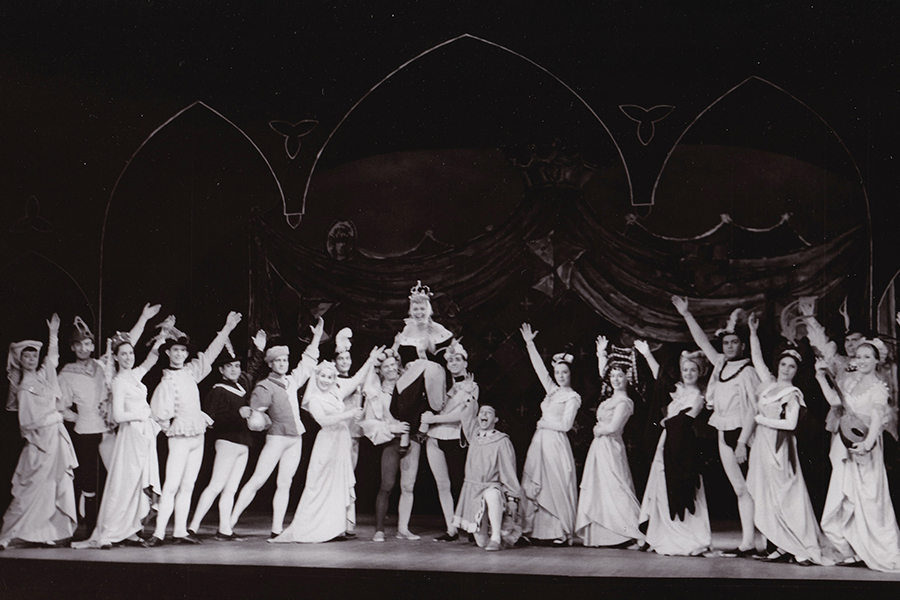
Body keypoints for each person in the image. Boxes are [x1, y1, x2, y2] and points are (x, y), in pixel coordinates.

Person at [59, 303, 160, 538]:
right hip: (85, 430)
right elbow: (61, 406)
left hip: (107, 429)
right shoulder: (66, 373)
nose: (84, 348)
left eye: (87, 344)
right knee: (88, 483)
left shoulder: (101, 365)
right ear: (73, 347)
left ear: (92, 346)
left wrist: (143, 318)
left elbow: (125, 344)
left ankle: (127, 527)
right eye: (79, 345)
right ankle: (90, 527)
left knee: (121, 477)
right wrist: (78, 416)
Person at [146, 311, 242, 546]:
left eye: (183, 351)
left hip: (197, 435)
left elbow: (211, 353)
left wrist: (228, 327)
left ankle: (180, 531)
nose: (179, 354)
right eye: (175, 350)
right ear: (168, 353)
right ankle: (158, 533)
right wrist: (169, 426)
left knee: (188, 485)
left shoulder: (191, 372)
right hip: (179, 436)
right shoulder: (166, 381)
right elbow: (159, 414)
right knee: (171, 485)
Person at [673, 297, 760, 557]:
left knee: (756, 487)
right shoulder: (720, 364)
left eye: (734, 342)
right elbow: (701, 342)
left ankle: (767, 540)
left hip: (746, 435)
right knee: (740, 488)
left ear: (742, 345)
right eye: (726, 342)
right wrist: (687, 314)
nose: (729, 346)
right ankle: (747, 542)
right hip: (724, 433)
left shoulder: (748, 371)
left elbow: (754, 409)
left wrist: (743, 441)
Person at [745, 313, 834, 565]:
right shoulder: (769, 383)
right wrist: (753, 333)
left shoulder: (793, 393)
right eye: (784, 364)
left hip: (780, 448)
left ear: (796, 370)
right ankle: (779, 545)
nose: (786, 369)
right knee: (767, 496)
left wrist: (761, 420)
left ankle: (799, 546)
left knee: (786, 496)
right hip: (762, 446)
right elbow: (757, 359)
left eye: (791, 366)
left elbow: (791, 424)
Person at [271, 346, 381, 543]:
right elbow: (323, 421)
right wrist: (348, 414)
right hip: (327, 443)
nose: (326, 380)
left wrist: (371, 359)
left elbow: (357, 378)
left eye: (330, 377)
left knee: (336, 487)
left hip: (340, 442)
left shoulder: (336, 394)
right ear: (317, 376)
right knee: (319, 486)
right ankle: (312, 527)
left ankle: (334, 528)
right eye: (322, 376)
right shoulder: (314, 399)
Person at [230, 318, 324, 538]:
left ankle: (277, 529)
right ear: (270, 364)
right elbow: (254, 420)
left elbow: (308, 362)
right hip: (276, 439)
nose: (283, 363)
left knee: (285, 482)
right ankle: (229, 522)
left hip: (295, 438)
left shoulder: (291, 381)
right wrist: (258, 418)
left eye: (285, 360)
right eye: (278, 361)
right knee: (258, 479)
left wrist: (317, 337)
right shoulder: (264, 386)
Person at [816, 337, 900, 572]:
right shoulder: (851, 384)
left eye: (867, 357)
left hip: (866, 449)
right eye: (858, 356)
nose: (861, 361)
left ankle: (875, 548)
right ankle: (851, 550)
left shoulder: (878, 389)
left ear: (876, 361)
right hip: (846, 446)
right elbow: (835, 401)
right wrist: (821, 377)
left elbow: (876, 420)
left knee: (869, 501)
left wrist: (868, 444)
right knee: (841, 499)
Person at [0, 314, 79, 549]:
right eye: (27, 355)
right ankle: (8, 533)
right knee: (30, 491)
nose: (32, 358)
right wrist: (57, 415)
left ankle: (44, 532)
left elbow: (52, 359)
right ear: (20, 360)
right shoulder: (24, 388)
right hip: (40, 445)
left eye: (34, 354)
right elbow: (28, 423)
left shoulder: (45, 375)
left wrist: (53, 334)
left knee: (53, 488)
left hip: (56, 441)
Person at [187, 330, 266, 540]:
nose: (234, 369)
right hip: (227, 442)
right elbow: (212, 420)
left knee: (230, 489)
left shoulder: (242, 386)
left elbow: (254, 371)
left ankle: (224, 529)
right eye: (229, 366)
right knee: (216, 485)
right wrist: (236, 415)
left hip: (243, 443)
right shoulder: (218, 391)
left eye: (237, 366)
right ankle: (192, 527)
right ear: (221, 369)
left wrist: (259, 350)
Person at [637, 344, 712, 556]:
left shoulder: (698, 397)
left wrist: (666, 422)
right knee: (660, 487)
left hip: (683, 447)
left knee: (684, 488)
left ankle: (690, 537)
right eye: (686, 369)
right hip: (666, 443)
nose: (688, 373)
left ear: (699, 372)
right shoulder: (679, 390)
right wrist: (647, 354)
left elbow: (686, 421)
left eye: (693, 370)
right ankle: (660, 534)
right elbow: (660, 378)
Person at [574, 335, 643, 547]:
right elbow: (603, 374)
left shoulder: (625, 401)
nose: (615, 379)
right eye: (613, 376)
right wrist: (600, 354)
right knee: (600, 488)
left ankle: (631, 531)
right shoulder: (610, 398)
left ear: (627, 378)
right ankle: (606, 535)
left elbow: (613, 427)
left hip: (611, 446)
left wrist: (598, 428)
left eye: (620, 375)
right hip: (599, 447)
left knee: (616, 488)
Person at [518, 323, 580, 545]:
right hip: (540, 443)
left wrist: (544, 424)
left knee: (554, 485)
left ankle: (559, 531)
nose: (560, 376)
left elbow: (565, 425)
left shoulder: (572, 397)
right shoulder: (552, 392)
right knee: (536, 484)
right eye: (558, 373)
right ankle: (534, 531)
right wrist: (529, 343)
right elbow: (539, 369)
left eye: (565, 372)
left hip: (555, 443)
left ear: (571, 374)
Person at [421, 339, 479, 542]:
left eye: (457, 359)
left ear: (465, 363)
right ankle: (451, 529)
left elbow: (461, 416)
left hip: (455, 438)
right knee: (442, 485)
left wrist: (433, 419)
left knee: (460, 483)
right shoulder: (441, 384)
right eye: (450, 360)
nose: (454, 363)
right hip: (434, 438)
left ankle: (471, 527)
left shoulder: (472, 387)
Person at [359, 348, 418, 541]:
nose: (391, 368)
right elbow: (368, 423)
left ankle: (403, 529)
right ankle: (379, 529)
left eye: (393, 365)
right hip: (390, 441)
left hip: (411, 439)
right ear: (381, 370)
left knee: (408, 486)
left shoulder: (409, 385)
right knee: (387, 484)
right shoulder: (377, 393)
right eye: (386, 366)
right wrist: (393, 428)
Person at [451, 404, 522, 551]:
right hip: (473, 489)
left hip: (491, 486)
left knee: (492, 494)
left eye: (488, 412)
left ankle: (496, 536)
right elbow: (466, 415)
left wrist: (512, 498)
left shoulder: (501, 441)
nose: (484, 414)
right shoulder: (474, 436)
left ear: (495, 419)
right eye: (481, 412)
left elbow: (509, 471)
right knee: (482, 543)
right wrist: (468, 394)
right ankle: (490, 532)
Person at [391, 281, 451, 450]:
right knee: (409, 375)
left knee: (423, 365)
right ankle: (407, 428)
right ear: (411, 310)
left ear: (428, 309)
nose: (419, 312)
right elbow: (398, 357)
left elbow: (447, 359)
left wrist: (425, 352)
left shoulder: (437, 329)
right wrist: (394, 348)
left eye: (422, 309)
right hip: (410, 378)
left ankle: (418, 424)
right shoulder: (406, 329)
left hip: (433, 379)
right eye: (415, 309)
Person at [333, 328, 364, 471]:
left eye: (347, 358)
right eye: (341, 358)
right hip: (339, 430)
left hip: (354, 430)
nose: (345, 362)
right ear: (335, 361)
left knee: (351, 469)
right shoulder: (331, 382)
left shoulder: (356, 380)